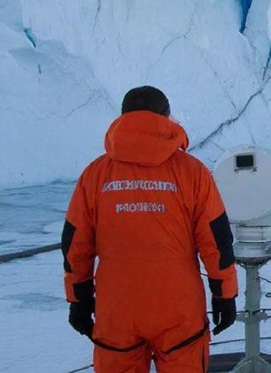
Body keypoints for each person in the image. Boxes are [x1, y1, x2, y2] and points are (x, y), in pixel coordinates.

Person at [62, 86, 239, 372]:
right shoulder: (193, 172)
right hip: (179, 309)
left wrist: (78, 299)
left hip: (116, 308)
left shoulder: (95, 174)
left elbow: (75, 245)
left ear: (122, 119)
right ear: (167, 118)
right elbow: (216, 241)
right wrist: (224, 294)